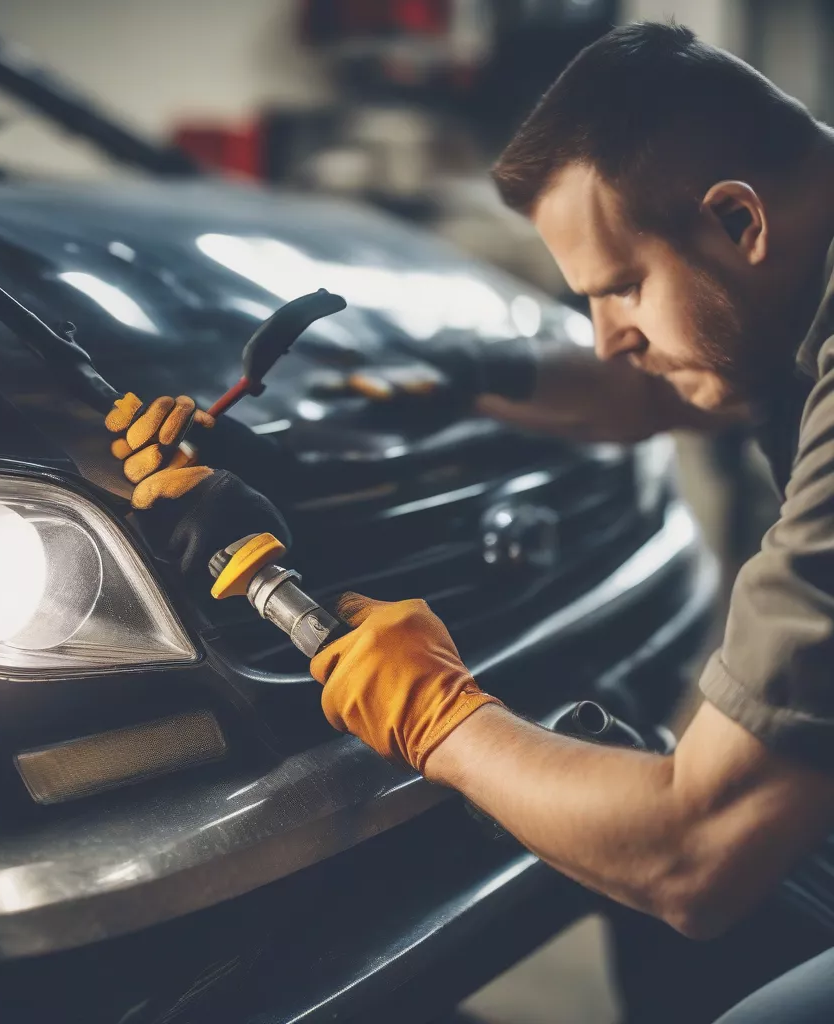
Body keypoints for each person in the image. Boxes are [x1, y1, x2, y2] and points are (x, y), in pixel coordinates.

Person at [105, 24, 834, 1021]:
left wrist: (436, 714)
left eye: (620, 287)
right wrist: (427, 385)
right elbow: (656, 389)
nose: (606, 338)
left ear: (738, 221)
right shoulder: (790, 266)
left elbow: (692, 854)